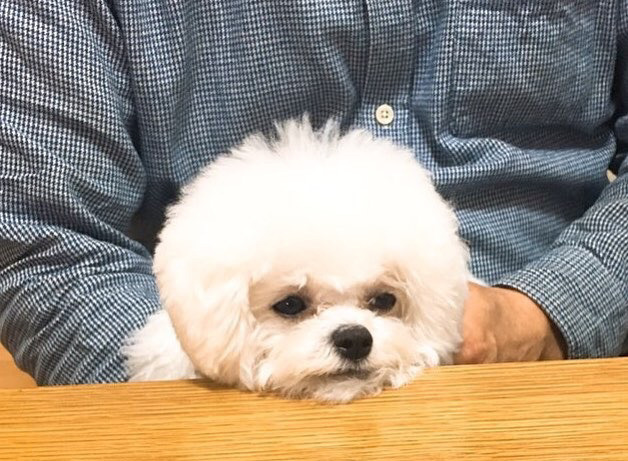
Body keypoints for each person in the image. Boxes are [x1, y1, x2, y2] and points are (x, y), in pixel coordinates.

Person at [0, 2, 626, 386]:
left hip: (557, 378)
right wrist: (185, 372)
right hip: (201, 409)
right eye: (296, 304)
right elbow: (45, 235)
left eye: (381, 298)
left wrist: (548, 313)